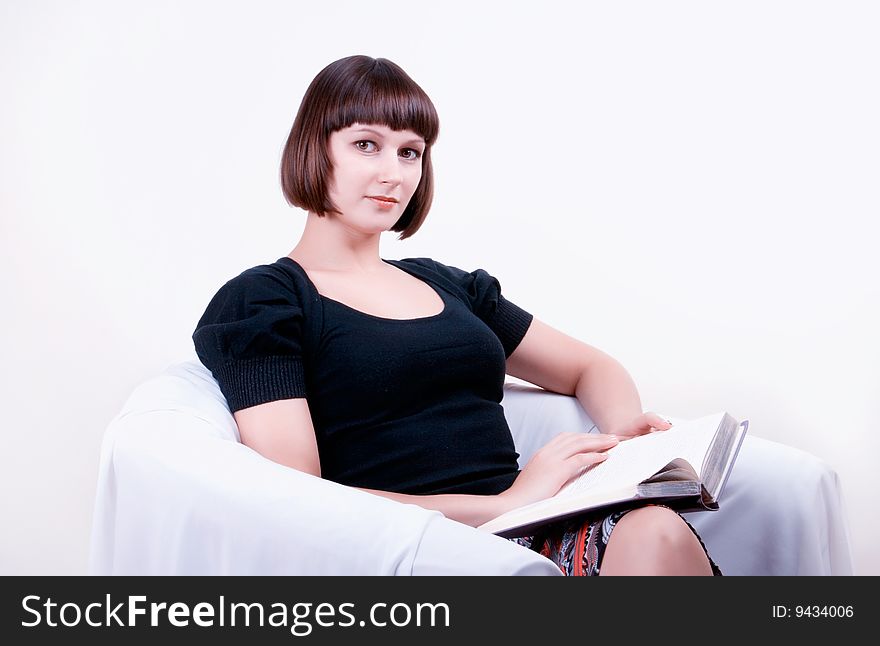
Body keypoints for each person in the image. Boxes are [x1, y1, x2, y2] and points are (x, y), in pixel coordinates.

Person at [192, 54, 721, 576]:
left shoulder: (447, 283)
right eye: (365, 145)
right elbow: (301, 498)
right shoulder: (265, 301)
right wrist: (505, 503)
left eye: (410, 153)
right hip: (426, 547)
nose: (392, 174)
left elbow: (591, 367)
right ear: (314, 149)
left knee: (656, 529)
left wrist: (624, 436)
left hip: (533, 523)